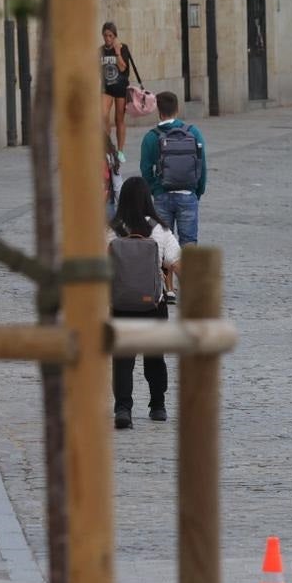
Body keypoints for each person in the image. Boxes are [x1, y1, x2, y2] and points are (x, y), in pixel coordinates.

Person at [109, 177, 180, 429]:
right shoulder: (160, 230)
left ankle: (123, 409)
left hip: (120, 304)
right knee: (154, 356)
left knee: (122, 359)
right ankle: (158, 406)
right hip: (153, 304)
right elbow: (176, 263)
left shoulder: (111, 229)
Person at [139, 92, 207, 276]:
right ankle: (190, 284)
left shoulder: (151, 137)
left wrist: (155, 189)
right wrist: (197, 191)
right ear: (177, 109)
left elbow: (145, 170)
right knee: (189, 242)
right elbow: (202, 166)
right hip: (187, 194)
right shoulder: (193, 132)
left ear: (159, 111)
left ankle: (166, 287)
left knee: (162, 243)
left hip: (162, 195)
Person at [99, 22, 137, 161]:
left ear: (115, 36)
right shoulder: (100, 50)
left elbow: (122, 68)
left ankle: (120, 152)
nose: (107, 38)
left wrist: (117, 52)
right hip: (106, 88)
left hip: (121, 88)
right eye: (105, 35)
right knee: (103, 115)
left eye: (110, 35)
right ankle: (108, 146)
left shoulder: (123, 48)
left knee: (119, 119)